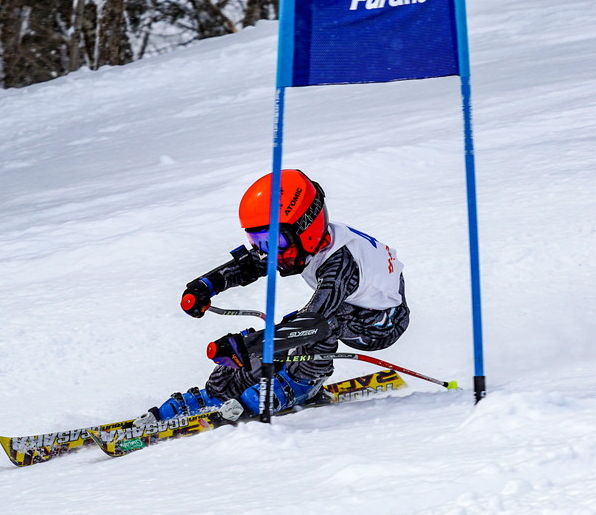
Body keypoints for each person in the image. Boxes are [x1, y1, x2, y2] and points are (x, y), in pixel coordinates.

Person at [139, 169, 409, 424]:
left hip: (380, 323)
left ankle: (305, 382)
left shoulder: (340, 266)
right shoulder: (305, 243)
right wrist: (207, 285)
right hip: (345, 306)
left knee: (314, 325)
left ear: (307, 227)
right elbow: (254, 264)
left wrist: (246, 346)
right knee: (280, 336)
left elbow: (311, 324)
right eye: (258, 241)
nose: (266, 251)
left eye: (273, 242)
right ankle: (222, 390)